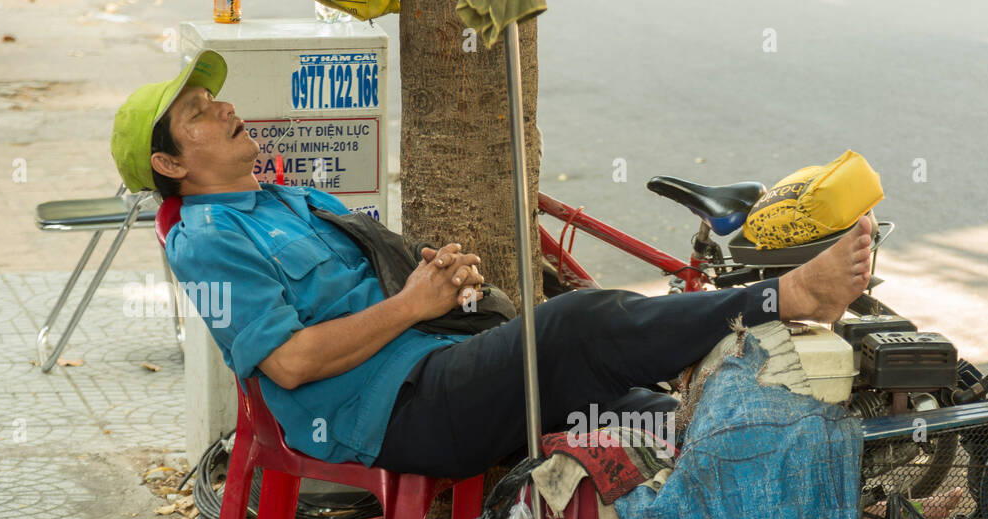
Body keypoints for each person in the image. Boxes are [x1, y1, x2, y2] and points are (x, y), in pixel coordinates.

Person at [112, 52, 873, 478]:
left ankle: (859, 482)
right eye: (197, 114)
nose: (220, 108)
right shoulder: (206, 239)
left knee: (654, 417)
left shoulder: (286, 198)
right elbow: (288, 365)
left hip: (442, 362)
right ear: (169, 163)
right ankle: (787, 294)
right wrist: (412, 305)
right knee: (577, 322)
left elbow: (379, 280)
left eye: (213, 97)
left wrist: (437, 280)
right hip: (389, 413)